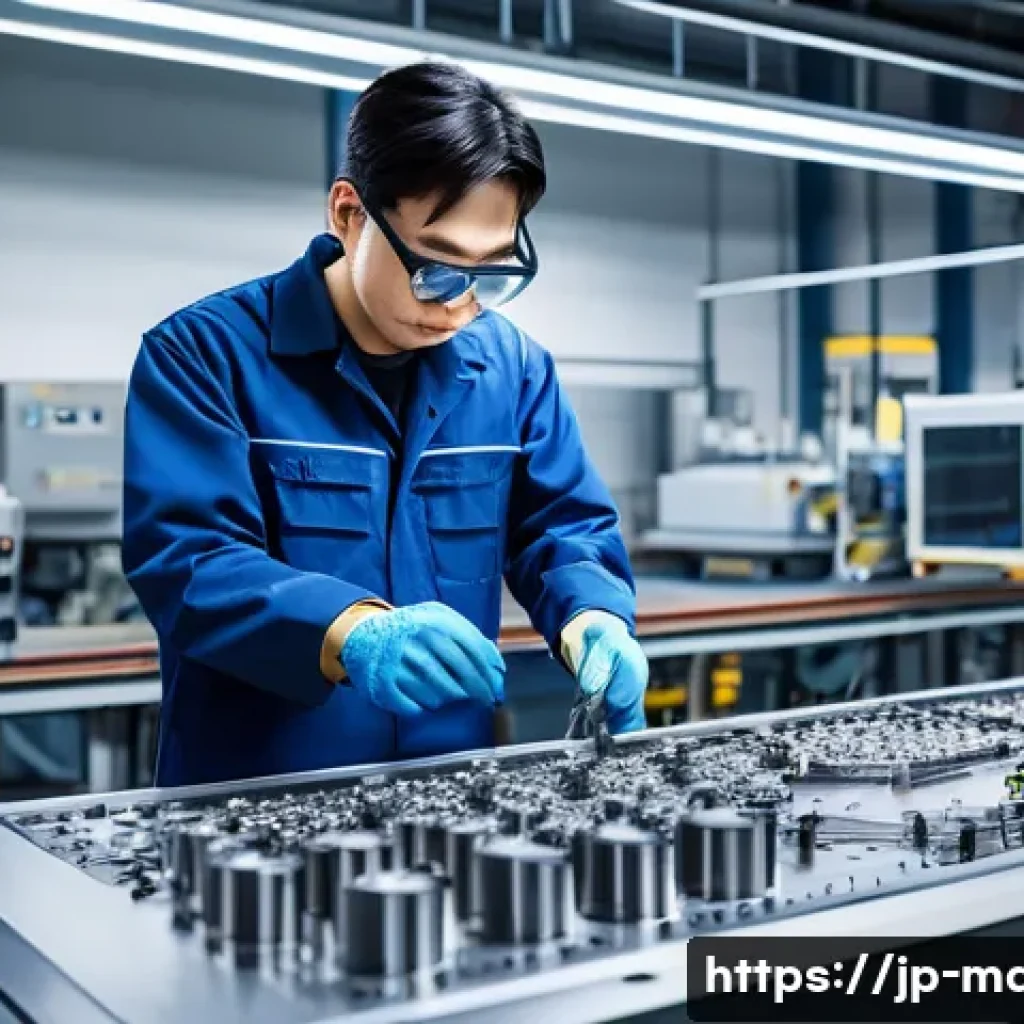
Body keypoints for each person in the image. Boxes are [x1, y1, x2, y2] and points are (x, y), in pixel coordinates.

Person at [122, 61, 649, 788]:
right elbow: (190, 562)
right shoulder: (205, 356)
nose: (460, 304)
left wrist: (594, 615)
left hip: (449, 785)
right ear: (348, 214)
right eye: (436, 268)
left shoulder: (514, 369)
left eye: (491, 272)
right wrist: (348, 631)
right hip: (257, 793)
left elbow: (561, 530)